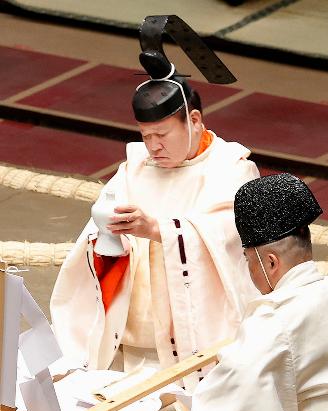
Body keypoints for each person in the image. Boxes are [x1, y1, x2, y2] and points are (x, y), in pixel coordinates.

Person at [50, 15, 259, 391]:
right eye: (145, 136)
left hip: (203, 346)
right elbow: (95, 238)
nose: (153, 146)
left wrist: (158, 230)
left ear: (194, 120)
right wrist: (108, 234)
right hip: (131, 347)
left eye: (162, 134)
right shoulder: (134, 169)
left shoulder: (233, 169)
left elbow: (227, 236)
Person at [190, 173, 328, 411]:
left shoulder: (273, 320)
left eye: (247, 260)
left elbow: (229, 410)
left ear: (270, 263)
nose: (249, 271)